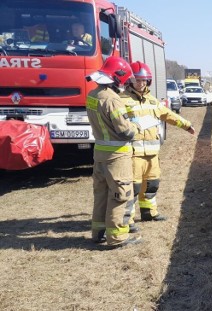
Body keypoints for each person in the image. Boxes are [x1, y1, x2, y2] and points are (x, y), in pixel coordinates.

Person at [120, 61, 196, 225]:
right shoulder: (122, 100)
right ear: (130, 80)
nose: (141, 83)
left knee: (152, 185)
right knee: (133, 188)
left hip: (152, 154)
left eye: (144, 80)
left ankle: (149, 213)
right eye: (137, 80)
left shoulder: (152, 101)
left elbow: (168, 115)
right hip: (134, 154)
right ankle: (128, 220)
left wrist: (186, 125)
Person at [85, 56, 141, 248]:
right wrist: (137, 128)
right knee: (120, 194)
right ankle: (117, 238)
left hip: (99, 155)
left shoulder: (93, 95)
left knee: (101, 194)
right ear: (118, 78)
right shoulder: (112, 100)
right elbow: (125, 131)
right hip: (117, 156)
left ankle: (98, 232)